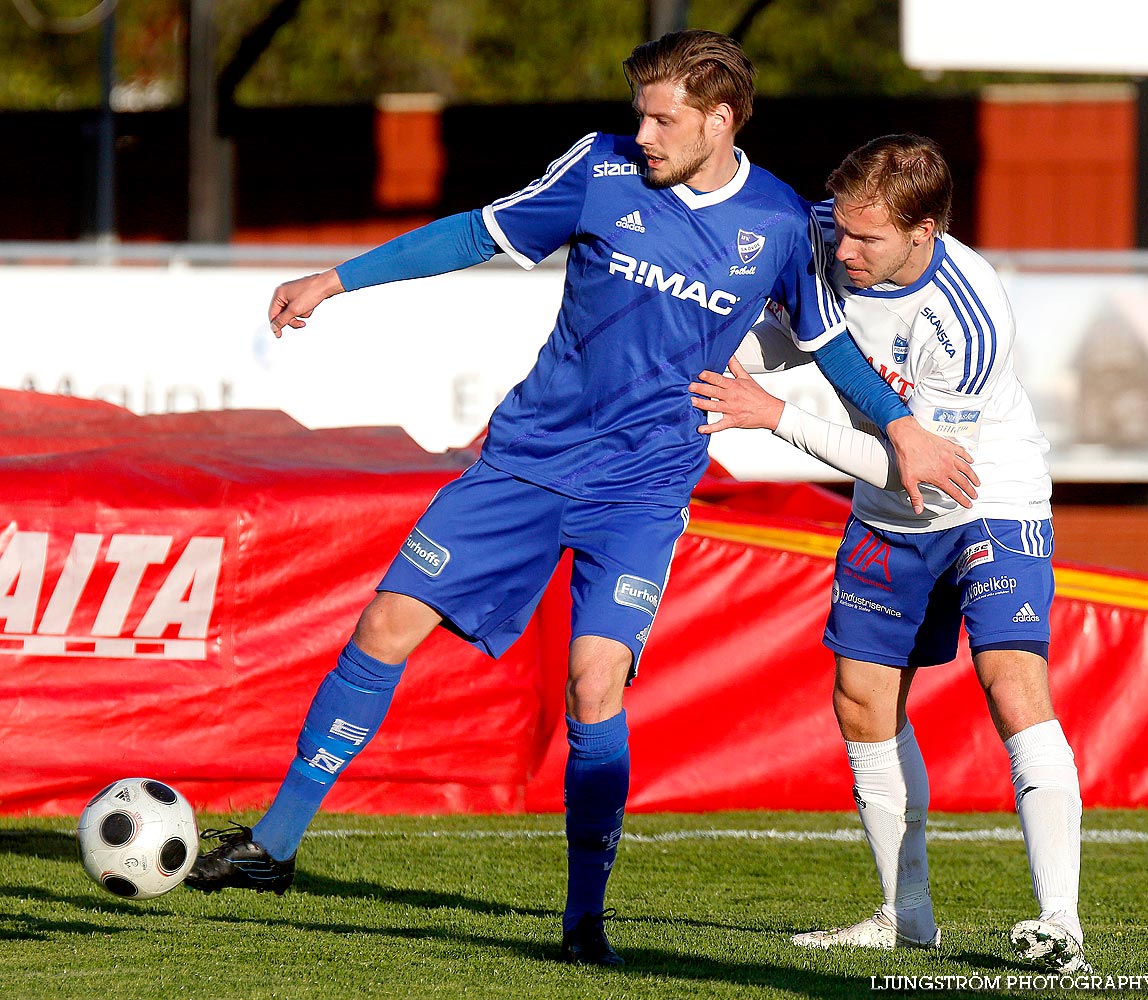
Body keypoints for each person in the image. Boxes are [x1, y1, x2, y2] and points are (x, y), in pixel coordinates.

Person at [185, 36, 975, 967]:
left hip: (641, 491)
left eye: (663, 118)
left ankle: (582, 921)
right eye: (641, 113)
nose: (642, 132)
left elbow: (834, 347)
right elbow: (478, 231)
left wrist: (900, 427)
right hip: (526, 462)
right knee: (384, 627)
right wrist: (337, 278)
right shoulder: (600, 169)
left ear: (721, 121)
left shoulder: (780, 223)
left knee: (593, 685)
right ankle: (273, 847)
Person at [690, 134, 1087, 973]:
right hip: (881, 516)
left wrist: (777, 418)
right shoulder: (827, 236)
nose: (845, 250)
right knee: (862, 704)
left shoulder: (970, 321)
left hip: (987, 501)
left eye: (868, 239)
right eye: (841, 230)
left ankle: (1061, 921)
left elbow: (927, 475)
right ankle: (905, 916)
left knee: (1012, 685)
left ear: (926, 231)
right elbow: (783, 330)